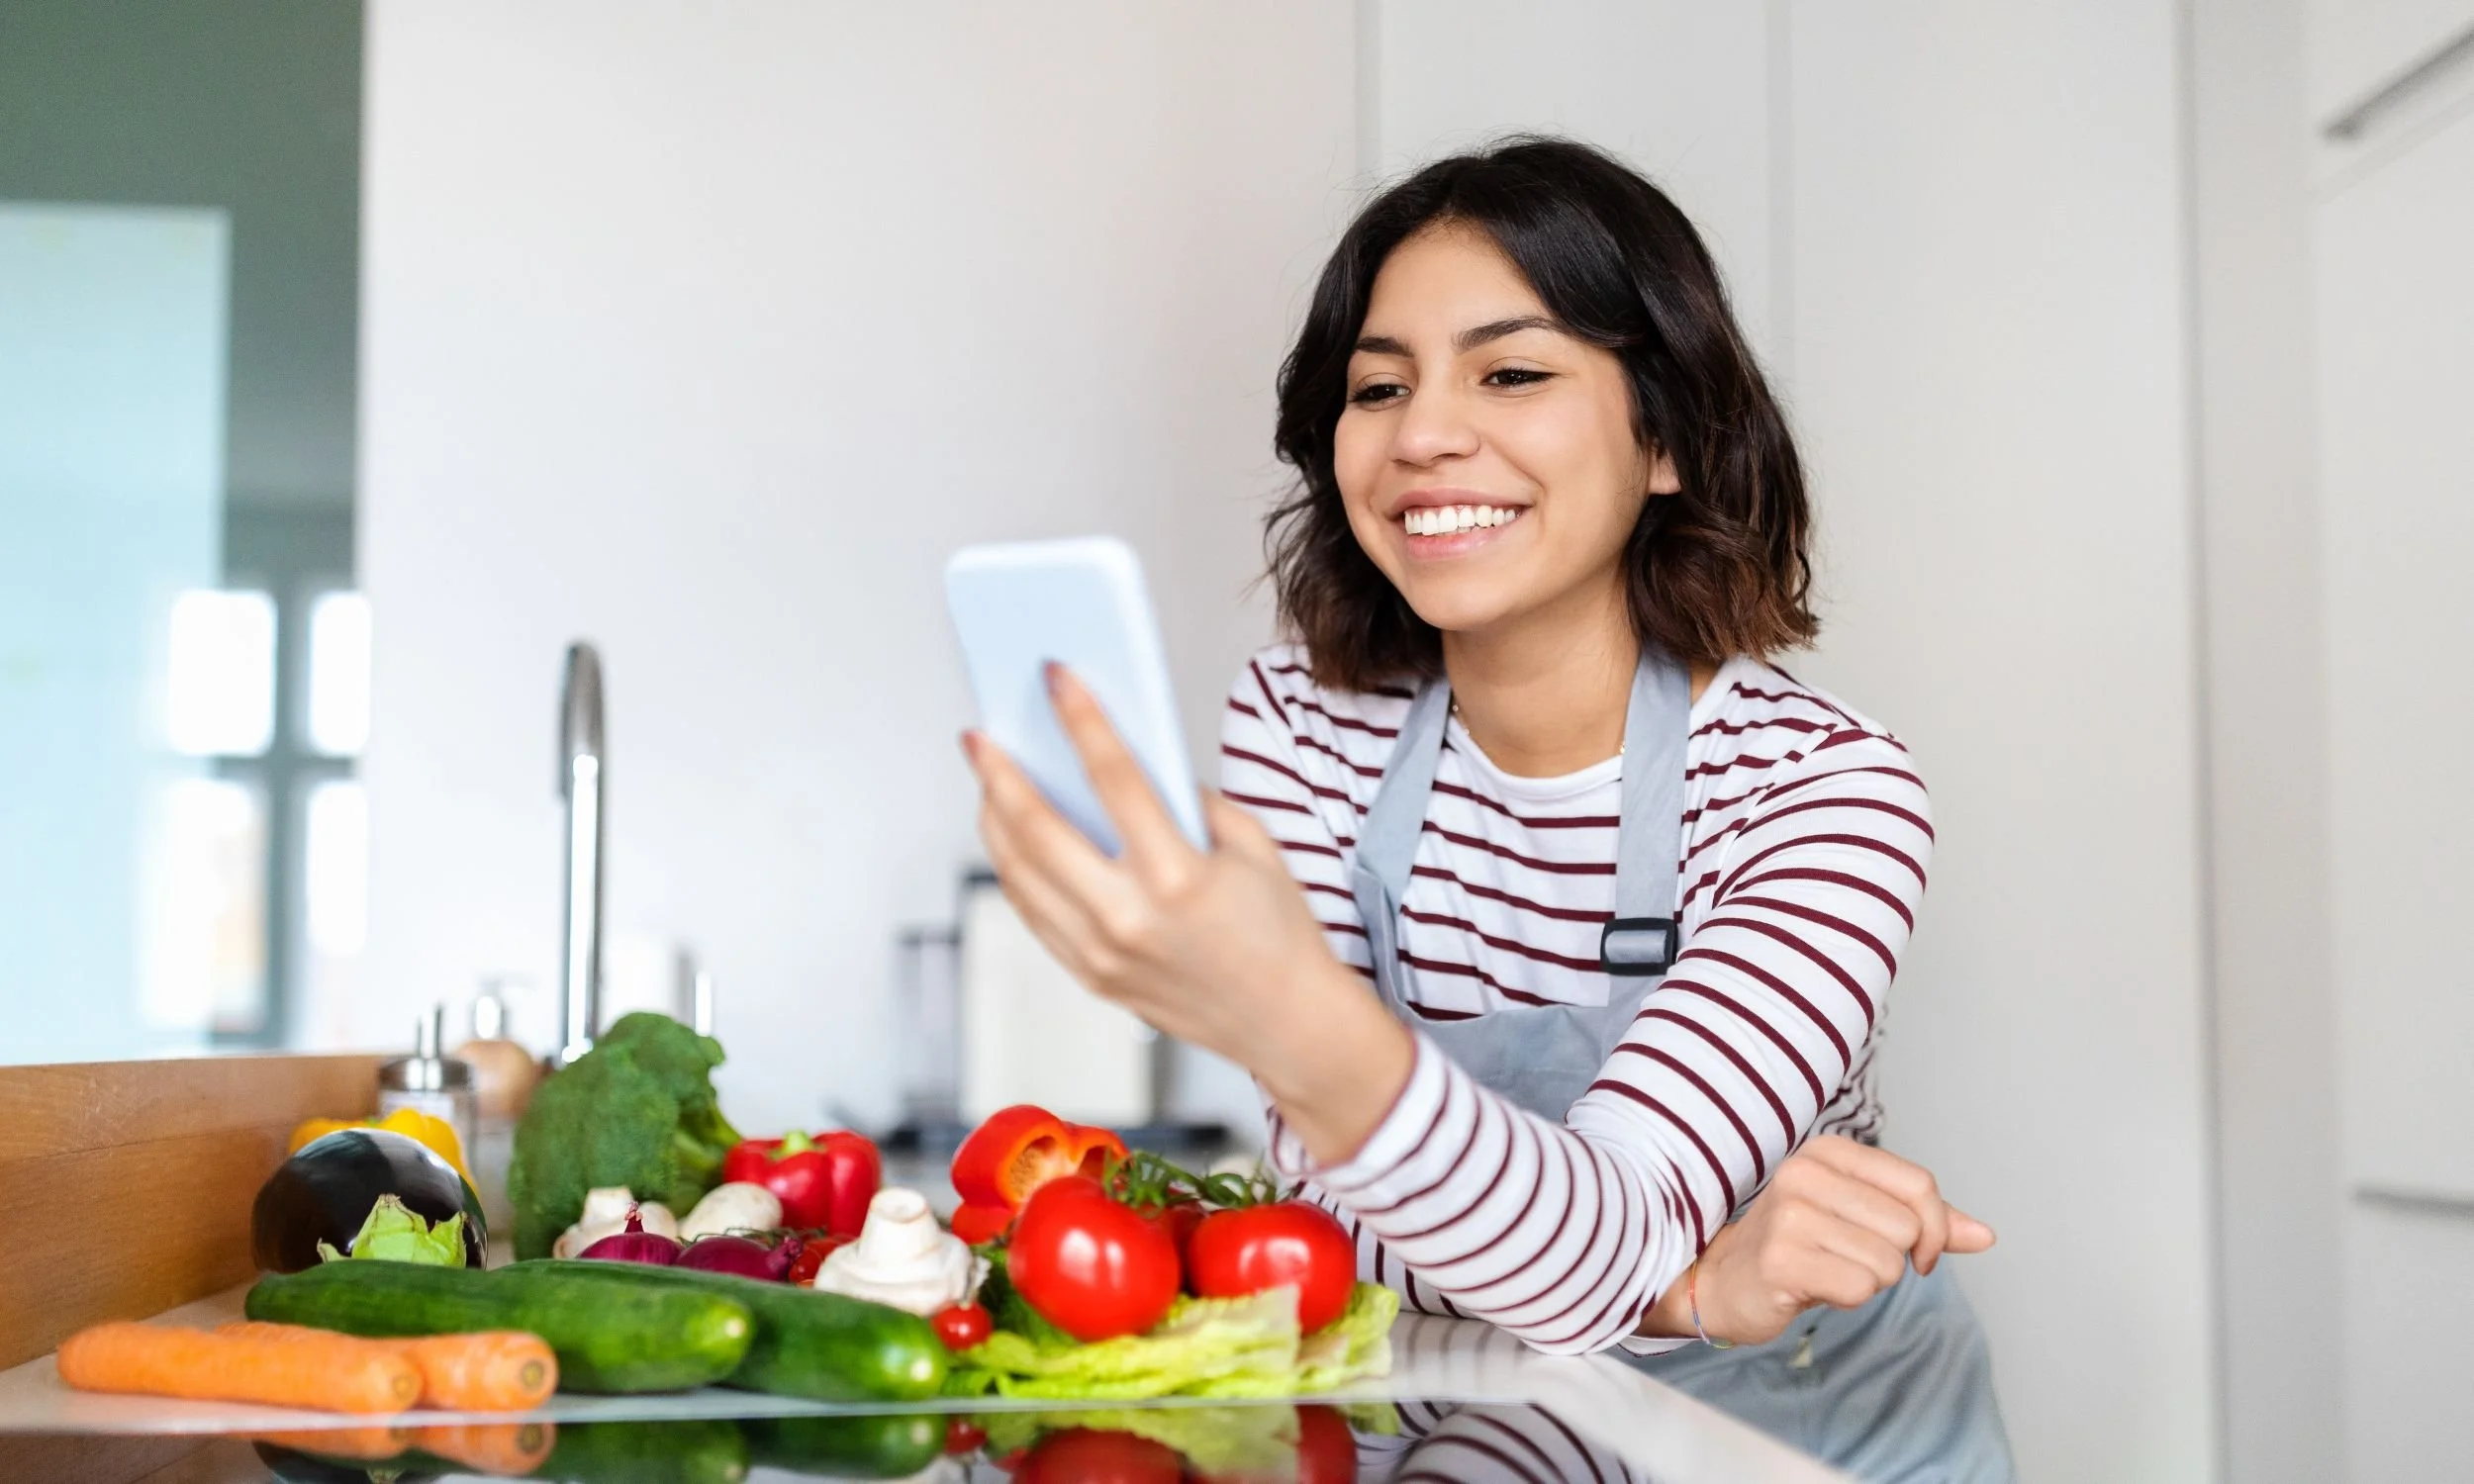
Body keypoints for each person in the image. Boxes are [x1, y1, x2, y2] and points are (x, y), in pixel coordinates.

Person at [963, 137, 2012, 1475]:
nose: (1421, 435)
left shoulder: (1822, 795)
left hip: (1795, 1434)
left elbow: (1537, 1245)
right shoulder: (1304, 726)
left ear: (1668, 438)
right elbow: (1342, 1235)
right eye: (1378, 386)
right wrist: (1676, 1284)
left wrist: (1292, 1015)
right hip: (1480, 1418)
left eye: (1511, 372)